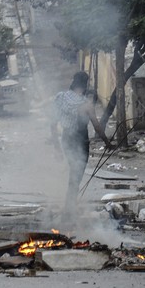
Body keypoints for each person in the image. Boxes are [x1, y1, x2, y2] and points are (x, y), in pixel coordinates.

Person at [51, 71, 113, 215]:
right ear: (85, 85)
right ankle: (69, 207)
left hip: (66, 139)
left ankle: (70, 205)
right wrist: (107, 143)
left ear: (73, 82)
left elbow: (52, 123)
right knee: (76, 174)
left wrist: (56, 146)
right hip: (81, 141)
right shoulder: (86, 104)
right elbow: (96, 126)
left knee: (74, 171)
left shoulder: (60, 98)